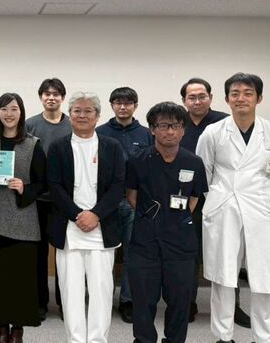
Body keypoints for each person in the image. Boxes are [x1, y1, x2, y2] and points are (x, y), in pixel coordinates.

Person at [196, 73, 270, 343]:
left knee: (266, 278)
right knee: (223, 276)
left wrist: (268, 199)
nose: (241, 98)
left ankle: (262, 337)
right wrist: (218, 199)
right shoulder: (213, 132)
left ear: (259, 98)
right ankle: (223, 336)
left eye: (248, 93)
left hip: (265, 212)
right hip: (224, 210)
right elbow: (203, 174)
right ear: (227, 99)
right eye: (235, 93)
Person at [126, 102, 208, 343]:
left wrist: (173, 219)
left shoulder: (193, 162)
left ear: (183, 130)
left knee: (180, 301)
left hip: (181, 242)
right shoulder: (137, 160)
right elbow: (132, 197)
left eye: (176, 125)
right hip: (145, 241)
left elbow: (194, 198)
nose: (170, 131)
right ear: (152, 129)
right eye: (163, 125)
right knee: (143, 301)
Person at [48, 92, 124, 343]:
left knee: (102, 291)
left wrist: (96, 215)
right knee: (71, 291)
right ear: (70, 115)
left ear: (98, 115)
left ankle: (98, 339)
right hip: (69, 228)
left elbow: (118, 186)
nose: (82, 115)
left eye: (88, 111)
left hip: (102, 228)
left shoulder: (112, 146)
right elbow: (54, 186)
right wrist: (77, 215)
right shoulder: (58, 147)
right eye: (77, 111)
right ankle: (76, 340)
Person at [178, 78, 250, 326]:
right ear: (184, 101)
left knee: (228, 253)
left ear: (210, 97)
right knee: (188, 252)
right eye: (191, 97)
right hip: (187, 199)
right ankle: (187, 303)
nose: (197, 101)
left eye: (202, 96)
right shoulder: (177, 123)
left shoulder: (226, 123)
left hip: (222, 198)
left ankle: (232, 306)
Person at [0, 92, 46, 343]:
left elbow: (43, 182)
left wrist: (24, 188)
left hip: (22, 221)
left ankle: (17, 330)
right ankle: (1, 329)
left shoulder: (33, 144)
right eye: (4, 109)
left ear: (21, 112)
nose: (9, 114)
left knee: (19, 280)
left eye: (14, 109)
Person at [95, 86, 152, 323]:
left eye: (127, 103)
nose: (122, 107)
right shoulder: (100, 132)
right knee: (103, 254)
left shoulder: (146, 134)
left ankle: (128, 300)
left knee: (132, 254)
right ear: (111, 105)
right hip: (104, 203)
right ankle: (102, 299)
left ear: (135, 106)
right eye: (118, 102)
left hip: (134, 202)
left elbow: (150, 168)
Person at [25, 77, 72, 320]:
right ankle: (39, 303)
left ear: (62, 98)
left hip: (65, 200)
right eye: (47, 94)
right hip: (38, 201)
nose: (51, 97)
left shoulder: (73, 124)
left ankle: (66, 304)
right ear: (41, 97)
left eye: (56, 94)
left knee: (65, 254)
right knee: (37, 254)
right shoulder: (30, 125)